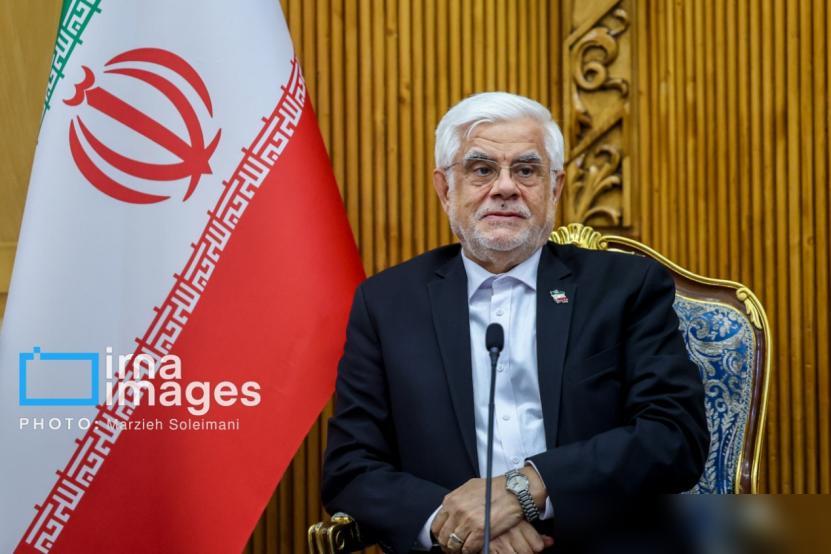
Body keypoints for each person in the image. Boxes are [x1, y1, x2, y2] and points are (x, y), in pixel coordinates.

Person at [321, 92, 709, 554]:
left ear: (555, 188)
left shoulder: (625, 289)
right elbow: (350, 467)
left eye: (526, 170)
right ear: (445, 189)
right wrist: (456, 521)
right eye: (481, 169)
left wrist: (527, 488)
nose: (505, 187)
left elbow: (674, 437)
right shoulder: (387, 304)